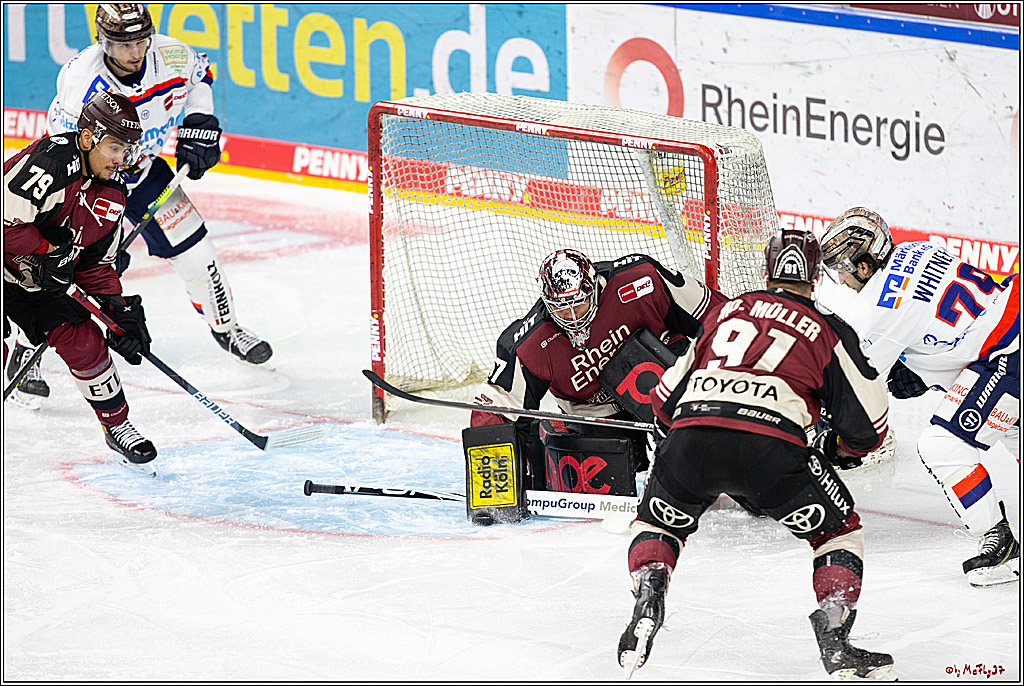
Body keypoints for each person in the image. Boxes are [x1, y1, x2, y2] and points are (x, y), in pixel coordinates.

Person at [618, 229, 894, 680]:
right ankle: (836, 641)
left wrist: (686, 440)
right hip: (773, 450)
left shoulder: (727, 310)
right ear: (815, 277)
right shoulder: (828, 329)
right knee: (839, 532)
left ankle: (650, 590)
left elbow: (664, 398)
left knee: (658, 524)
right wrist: (835, 449)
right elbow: (869, 428)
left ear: (766, 270)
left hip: (691, 437)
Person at [41, 3, 272, 386]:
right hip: (91, 184)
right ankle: (22, 354)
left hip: (145, 172)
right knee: (77, 279)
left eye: (140, 42)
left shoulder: (172, 55)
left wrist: (201, 121)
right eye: (122, 45)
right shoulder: (82, 79)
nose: (134, 53)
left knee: (198, 255)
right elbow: (64, 148)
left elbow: (201, 76)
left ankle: (226, 328)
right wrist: (91, 225)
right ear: (103, 43)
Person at [819, 207, 1019, 587]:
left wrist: (830, 432)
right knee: (1010, 429)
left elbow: (856, 386)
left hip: (1009, 351)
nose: (840, 280)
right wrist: (924, 370)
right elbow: (946, 323)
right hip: (1007, 326)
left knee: (942, 444)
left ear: (863, 266)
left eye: (842, 269)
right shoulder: (917, 249)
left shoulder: (879, 308)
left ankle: (1002, 548)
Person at [468, 248, 726, 496]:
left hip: (666, 391)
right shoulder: (529, 344)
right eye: (561, 308)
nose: (572, 316)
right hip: (600, 421)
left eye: (579, 304)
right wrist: (493, 492)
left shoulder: (641, 278)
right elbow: (497, 411)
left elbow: (721, 317)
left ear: (593, 287)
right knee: (599, 479)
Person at [4, 91, 157, 474]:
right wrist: (42, 252)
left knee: (86, 341)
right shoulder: (52, 161)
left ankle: (117, 425)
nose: (122, 158)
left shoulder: (113, 193)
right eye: (115, 147)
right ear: (88, 138)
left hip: (37, 282)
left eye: (128, 148)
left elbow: (95, 266)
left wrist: (118, 311)